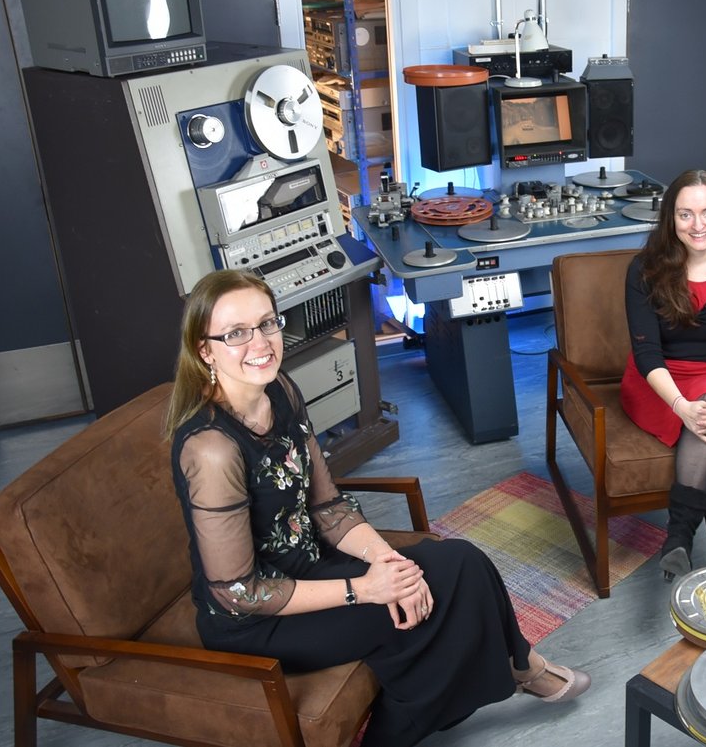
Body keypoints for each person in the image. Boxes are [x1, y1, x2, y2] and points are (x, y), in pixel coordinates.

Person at [165, 270, 589, 746]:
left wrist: (389, 563)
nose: (260, 343)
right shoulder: (211, 449)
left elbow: (328, 507)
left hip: (312, 565)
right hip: (259, 620)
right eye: (236, 333)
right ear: (205, 350)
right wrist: (364, 589)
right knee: (411, 620)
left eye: (267, 324)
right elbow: (239, 591)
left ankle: (518, 664)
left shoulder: (280, 389)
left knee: (461, 561)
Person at [620, 169, 706, 579]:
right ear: (671, 218)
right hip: (658, 381)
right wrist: (681, 407)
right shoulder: (644, 269)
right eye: (685, 215)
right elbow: (646, 353)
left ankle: (679, 536)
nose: (698, 225)